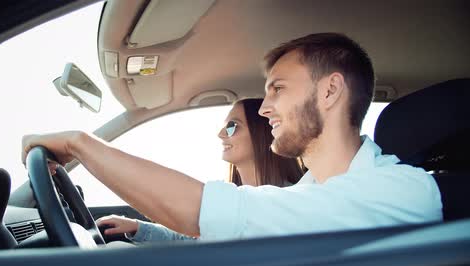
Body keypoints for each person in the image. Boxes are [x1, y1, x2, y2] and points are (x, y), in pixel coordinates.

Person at [22, 33, 442, 241]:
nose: (264, 107)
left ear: (329, 91)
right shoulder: (311, 190)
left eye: (278, 89)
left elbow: (200, 210)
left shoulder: (398, 191)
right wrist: (143, 232)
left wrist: (80, 142)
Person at [95, 98, 303, 243]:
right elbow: (196, 237)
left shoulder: (286, 203)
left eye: (232, 126)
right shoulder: (231, 200)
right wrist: (138, 228)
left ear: (262, 133)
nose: (221, 134)